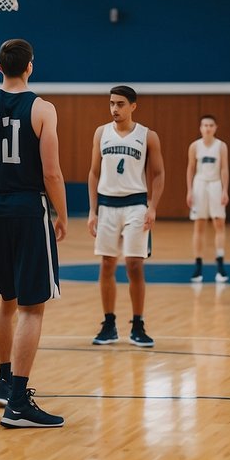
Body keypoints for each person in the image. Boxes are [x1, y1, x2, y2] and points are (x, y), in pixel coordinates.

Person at [0, 38, 68, 429]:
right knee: (31, 307)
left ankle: (4, 381)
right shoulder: (42, 109)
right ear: (30, 66)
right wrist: (61, 212)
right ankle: (19, 401)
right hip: (28, 209)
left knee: (7, 301)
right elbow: (52, 172)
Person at [88, 85, 164, 347]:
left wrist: (153, 206)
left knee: (134, 265)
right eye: (111, 103)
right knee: (107, 264)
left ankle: (138, 324)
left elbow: (158, 173)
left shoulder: (147, 136)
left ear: (133, 106)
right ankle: (109, 323)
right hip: (107, 206)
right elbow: (94, 173)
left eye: (120, 104)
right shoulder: (101, 133)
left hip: (136, 205)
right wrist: (92, 210)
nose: (114, 109)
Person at [186, 114, 230, 283]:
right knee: (199, 225)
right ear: (200, 128)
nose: (208, 128)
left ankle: (220, 263)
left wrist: (225, 190)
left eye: (211, 125)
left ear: (215, 127)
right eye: (205, 125)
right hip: (199, 185)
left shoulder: (221, 146)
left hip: (216, 185)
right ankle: (198, 266)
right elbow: (190, 169)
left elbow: (224, 169)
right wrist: (189, 191)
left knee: (219, 223)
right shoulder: (194, 146)